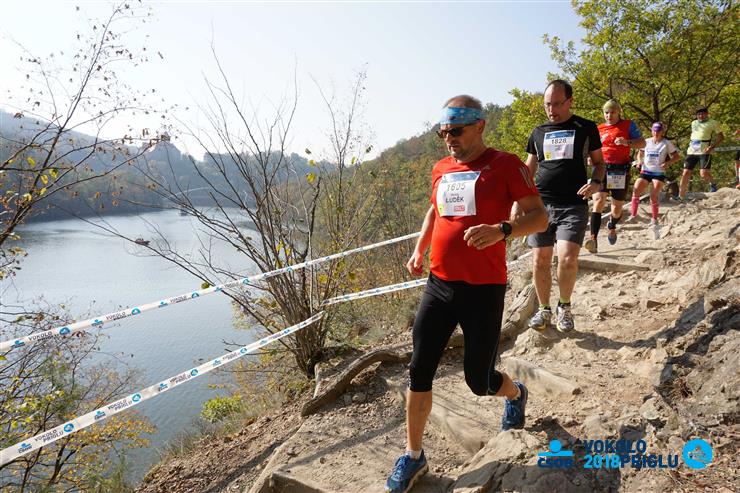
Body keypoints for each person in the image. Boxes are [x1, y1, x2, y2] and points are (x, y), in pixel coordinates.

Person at [385, 95, 548, 493]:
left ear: (479, 126)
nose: (449, 138)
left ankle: (515, 393)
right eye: (442, 132)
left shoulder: (506, 165)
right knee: (419, 369)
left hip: (483, 290)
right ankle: (413, 455)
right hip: (439, 285)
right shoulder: (441, 168)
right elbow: (435, 212)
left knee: (479, 380)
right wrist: (419, 249)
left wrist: (503, 230)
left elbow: (540, 216)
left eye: (455, 130)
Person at [522, 79, 605, 334]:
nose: (552, 109)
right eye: (548, 104)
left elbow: (599, 163)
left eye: (557, 104)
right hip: (541, 205)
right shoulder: (538, 132)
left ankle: (565, 307)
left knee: (568, 259)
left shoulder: (586, 127)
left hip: (573, 204)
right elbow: (528, 169)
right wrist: (518, 200)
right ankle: (543, 309)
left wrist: (596, 183)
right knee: (540, 260)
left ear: (570, 102)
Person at [584, 99, 645, 252]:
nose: (609, 115)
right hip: (602, 169)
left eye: (612, 112)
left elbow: (642, 143)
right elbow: (592, 148)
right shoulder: (599, 128)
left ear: (618, 112)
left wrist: (627, 142)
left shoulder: (628, 125)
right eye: (606, 112)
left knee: (616, 209)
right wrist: (590, 157)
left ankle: (612, 225)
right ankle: (593, 239)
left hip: (619, 170)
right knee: (598, 201)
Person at [629, 122, 681, 239]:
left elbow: (677, 157)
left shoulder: (666, 143)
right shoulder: (646, 141)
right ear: (651, 131)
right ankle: (633, 215)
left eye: (658, 131)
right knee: (636, 189)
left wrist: (668, 163)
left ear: (662, 132)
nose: (656, 133)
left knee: (653, 195)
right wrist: (639, 161)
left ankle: (654, 219)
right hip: (646, 171)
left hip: (658, 172)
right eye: (654, 131)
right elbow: (639, 154)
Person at [678, 107, 724, 199]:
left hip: (704, 151)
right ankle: (680, 195)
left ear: (707, 114)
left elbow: (721, 137)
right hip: (691, 151)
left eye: (702, 114)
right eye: (699, 114)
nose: (700, 116)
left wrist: (712, 147)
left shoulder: (713, 123)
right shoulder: (694, 123)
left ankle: (713, 184)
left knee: (703, 173)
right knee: (685, 173)